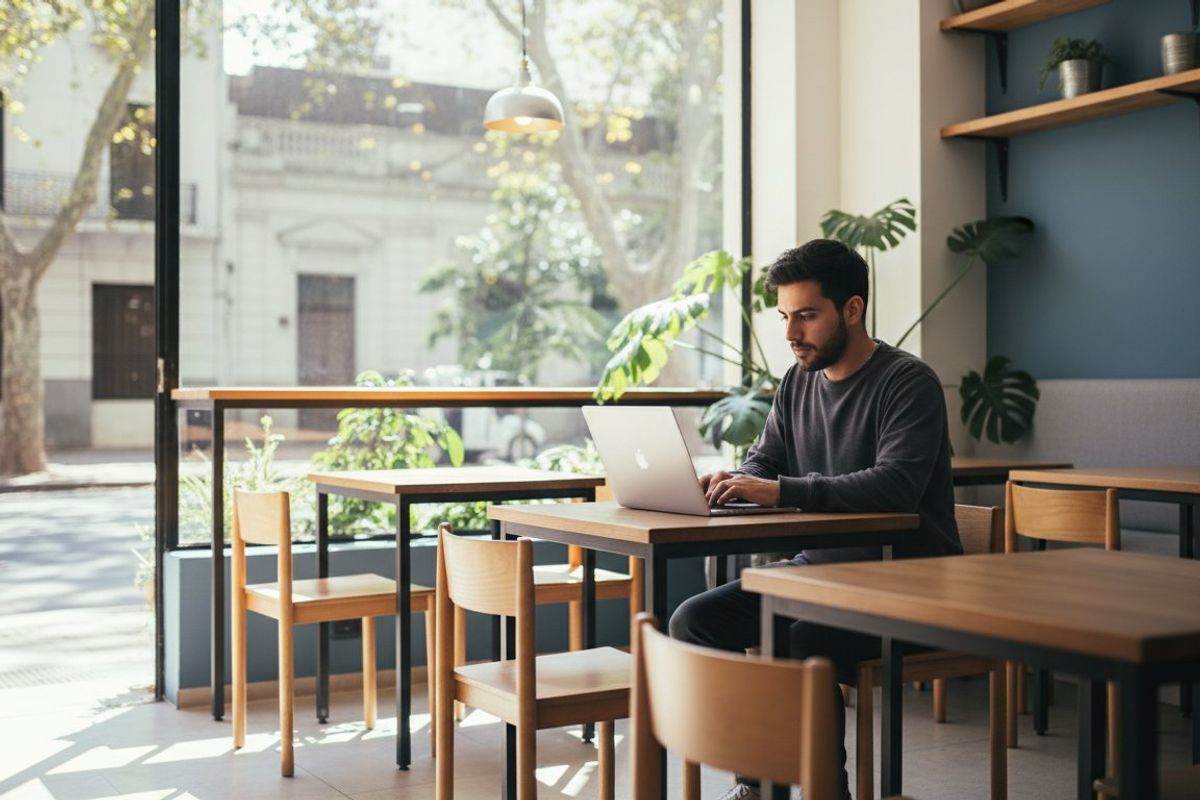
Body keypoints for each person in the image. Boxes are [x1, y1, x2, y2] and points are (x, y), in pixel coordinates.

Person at [668, 238, 960, 800]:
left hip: (909, 584)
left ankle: (828, 792)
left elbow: (895, 485)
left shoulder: (908, 382)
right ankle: (758, 783)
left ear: (852, 309)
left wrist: (777, 491)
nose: (791, 333)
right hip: (819, 574)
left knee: (800, 642)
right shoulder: (797, 381)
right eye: (784, 316)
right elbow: (766, 460)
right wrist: (733, 484)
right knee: (692, 621)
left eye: (806, 315)